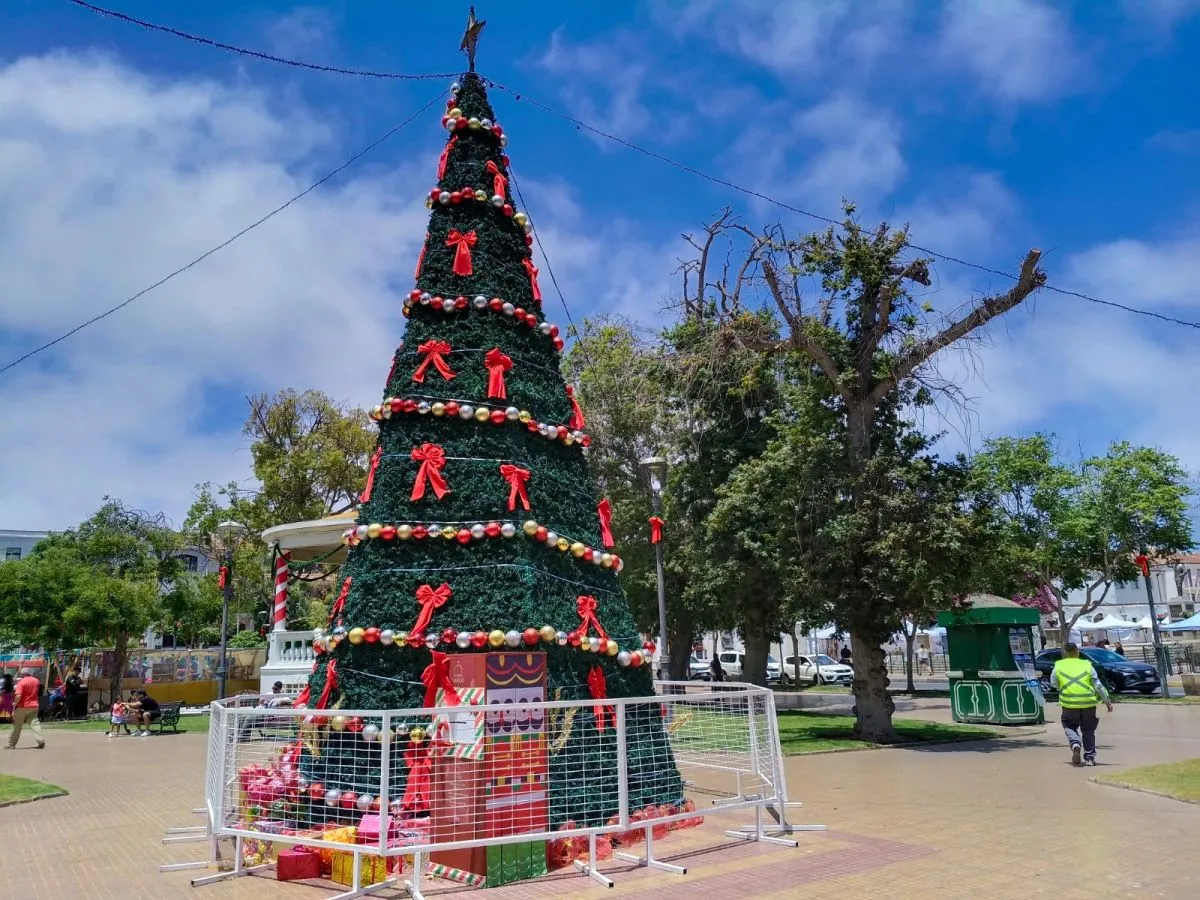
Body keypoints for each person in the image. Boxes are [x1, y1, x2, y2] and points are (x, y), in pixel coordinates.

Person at [1051, 643, 1113, 767]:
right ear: (1077, 652)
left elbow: (1053, 683)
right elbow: (1098, 685)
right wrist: (1107, 701)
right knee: (1088, 730)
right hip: (1088, 703)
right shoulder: (1087, 665)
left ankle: (1075, 744)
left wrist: (1063, 687)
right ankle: (1090, 758)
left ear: (1065, 652)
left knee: (1069, 725)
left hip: (1069, 703)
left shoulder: (1058, 665)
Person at [4, 669, 45, 749]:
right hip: (34, 706)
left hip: (22, 707)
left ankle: (11, 744)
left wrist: (14, 703)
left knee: (17, 726)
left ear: (23, 674)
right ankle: (40, 741)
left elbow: (18, 696)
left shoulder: (21, 682)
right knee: (35, 724)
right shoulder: (36, 681)